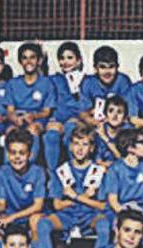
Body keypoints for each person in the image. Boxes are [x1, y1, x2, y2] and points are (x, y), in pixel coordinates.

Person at [36, 124, 110, 248]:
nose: (80, 148)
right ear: (70, 146)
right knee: (43, 224)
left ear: (91, 148)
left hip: (90, 216)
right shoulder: (62, 171)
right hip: (67, 216)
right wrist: (86, 199)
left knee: (104, 225)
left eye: (85, 144)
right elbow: (56, 204)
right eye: (76, 143)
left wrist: (75, 197)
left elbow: (103, 206)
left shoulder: (99, 171)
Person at [5, 43, 55, 162]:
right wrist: (15, 118)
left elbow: (46, 111)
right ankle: (8, 170)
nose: (28, 61)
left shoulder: (47, 83)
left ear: (39, 60)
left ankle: (30, 166)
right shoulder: (13, 84)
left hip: (37, 119)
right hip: (18, 119)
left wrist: (33, 116)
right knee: (10, 132)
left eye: (32, 57)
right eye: (24, 58)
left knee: (33, 129)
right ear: (20, 61)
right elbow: (10, 110)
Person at [42, 42, 85, 171]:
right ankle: (53, 174)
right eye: (62, 58)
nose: (65, 62)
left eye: (70, 58)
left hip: (77, 120)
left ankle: (75, 172)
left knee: (72, 133)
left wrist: (79, 119)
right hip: (57, 120)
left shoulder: (86, 80)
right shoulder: (54, 79)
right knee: (51, 135)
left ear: (78, 61)